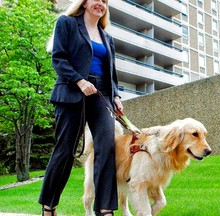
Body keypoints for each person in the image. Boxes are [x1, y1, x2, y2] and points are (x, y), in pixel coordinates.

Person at [38, 0, 123, 215]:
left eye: (105, 1)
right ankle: (49, 205)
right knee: (65, 150)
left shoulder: (107, 37)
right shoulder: (66, 23)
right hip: (72, 91)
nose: (101, 4)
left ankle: (105, 209)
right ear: (84, 3)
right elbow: (59, 58)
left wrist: (116, 95)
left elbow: (111, 72)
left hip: (101, 94)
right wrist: (79, 81)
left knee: (107, 147)